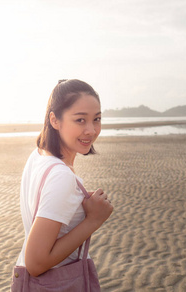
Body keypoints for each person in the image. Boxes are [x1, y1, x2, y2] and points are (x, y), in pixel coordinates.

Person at [14, 79, 114, 282]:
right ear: (55, 120)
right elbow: (36, 263)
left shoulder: (39, 155)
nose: (91, 130)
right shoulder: (61, 176)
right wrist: (93, 219)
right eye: (80, 120)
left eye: (97, 119)